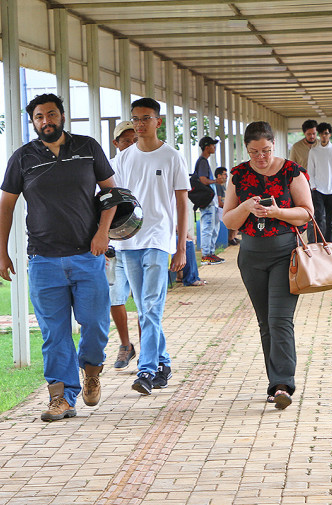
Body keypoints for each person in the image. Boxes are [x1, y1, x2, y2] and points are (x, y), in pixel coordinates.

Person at [0, 93, 117, 422]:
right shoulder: (23, 158)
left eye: (51, 114)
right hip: (43, 260)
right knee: (54, 333)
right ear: (33, 121)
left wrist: (102, 232)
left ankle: (91, 371)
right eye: (39, 117)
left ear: (62, 116)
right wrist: (2, 252)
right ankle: (61, 397)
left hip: (87, 255)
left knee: (94, 324)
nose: (45, 121)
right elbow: (6, 206)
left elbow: (111, 194)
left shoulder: (88, 148)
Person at [222, 121, 313, 410]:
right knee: (265, 323)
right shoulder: (238, 174)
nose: (261, 157)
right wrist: (246, 207)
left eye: (266, 150)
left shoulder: (290, 171)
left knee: (280, 319)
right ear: (246, 149)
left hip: (286, 253)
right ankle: (274, 384)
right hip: (251, 256)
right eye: (254, 152)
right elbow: (229, 222)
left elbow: (306, 214)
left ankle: (283, 384)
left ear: (274, 144)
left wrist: (277, 212)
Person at [113, 97, 190, 395]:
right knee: (145, 307)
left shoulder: (172, 157)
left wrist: (180, 246)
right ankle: (163, 361)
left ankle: (146, 371)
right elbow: (114, 201)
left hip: (159, 239)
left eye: (146, 118)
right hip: (129, 241)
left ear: (159, 122)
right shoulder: (123, 159)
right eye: (136, 119)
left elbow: (183, 203)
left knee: (150, 306)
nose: (140, 123)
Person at [108, 120, 138, 370]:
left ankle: (147, 347)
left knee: (143, 301)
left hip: (142, 243)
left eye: (135, 139)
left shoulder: (147, 163)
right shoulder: (107, 169)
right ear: (116, 143)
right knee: (114, 298)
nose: (131, 144)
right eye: (126, 140)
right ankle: (125, 345)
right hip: (116, 244)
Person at [305, 122, 332, 243]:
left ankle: (329, 245)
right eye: (321, 134)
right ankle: (320, 244)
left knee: (330, 221)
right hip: (318, 191)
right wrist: (314, 187)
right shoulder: (314, 151)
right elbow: (310, 171)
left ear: (330, 134)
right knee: (319, 218)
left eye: (326, 133)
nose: (324, 136)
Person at [194, 136, 225, 265]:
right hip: (207, 202)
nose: (214, 147)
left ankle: (210, 253)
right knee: (207, 228)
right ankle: (206, 255)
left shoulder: (204, 161)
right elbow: (202, 179)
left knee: (212, 227)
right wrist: (215, 181)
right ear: (207, 147)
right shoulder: (202, 162)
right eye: (213, 145)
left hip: (211, 202)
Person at [215, 166, 240, 246]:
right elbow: (220, 203)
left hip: (222, 210)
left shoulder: (222, 186)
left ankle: (232, 236)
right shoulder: (218, 186)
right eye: (224, 174)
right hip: (219, 211)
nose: (226, 177)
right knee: (237, 217)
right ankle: (230, 238)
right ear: (219, 176)